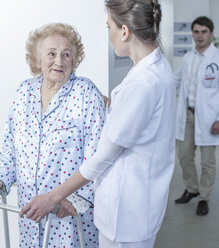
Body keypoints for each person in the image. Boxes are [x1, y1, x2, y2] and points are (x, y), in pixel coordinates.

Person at [20, 1, 176, 247]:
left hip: (125, 215)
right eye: (51, 54)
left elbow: (102, 156)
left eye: (109, 27)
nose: (110, 35)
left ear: (124, 31)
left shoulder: (145, 84)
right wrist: (106, 104)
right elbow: (133, 117)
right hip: (134, 207)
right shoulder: (152, 71)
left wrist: (53, 197)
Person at [0, 23, 105, 247]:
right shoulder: (23, 92)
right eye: (51, 54)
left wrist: (73, 202)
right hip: (31, 214)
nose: (59, 61)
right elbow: (10, 146)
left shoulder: (86, 94)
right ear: (37, 58)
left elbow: (98, 158)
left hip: (69, 217)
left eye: (66, 54)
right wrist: (0, 180)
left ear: (74, 60)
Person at [174, 16, 219, 216]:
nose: (199, 36)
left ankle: (204, 197)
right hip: (188, 114)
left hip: (210, 119)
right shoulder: (187, 57)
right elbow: (175, 80)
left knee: (207, 161)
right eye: (196, 32)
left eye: (203, 32)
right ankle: (192, 189)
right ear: (192, 33)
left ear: (211, 33)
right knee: (184, 155)